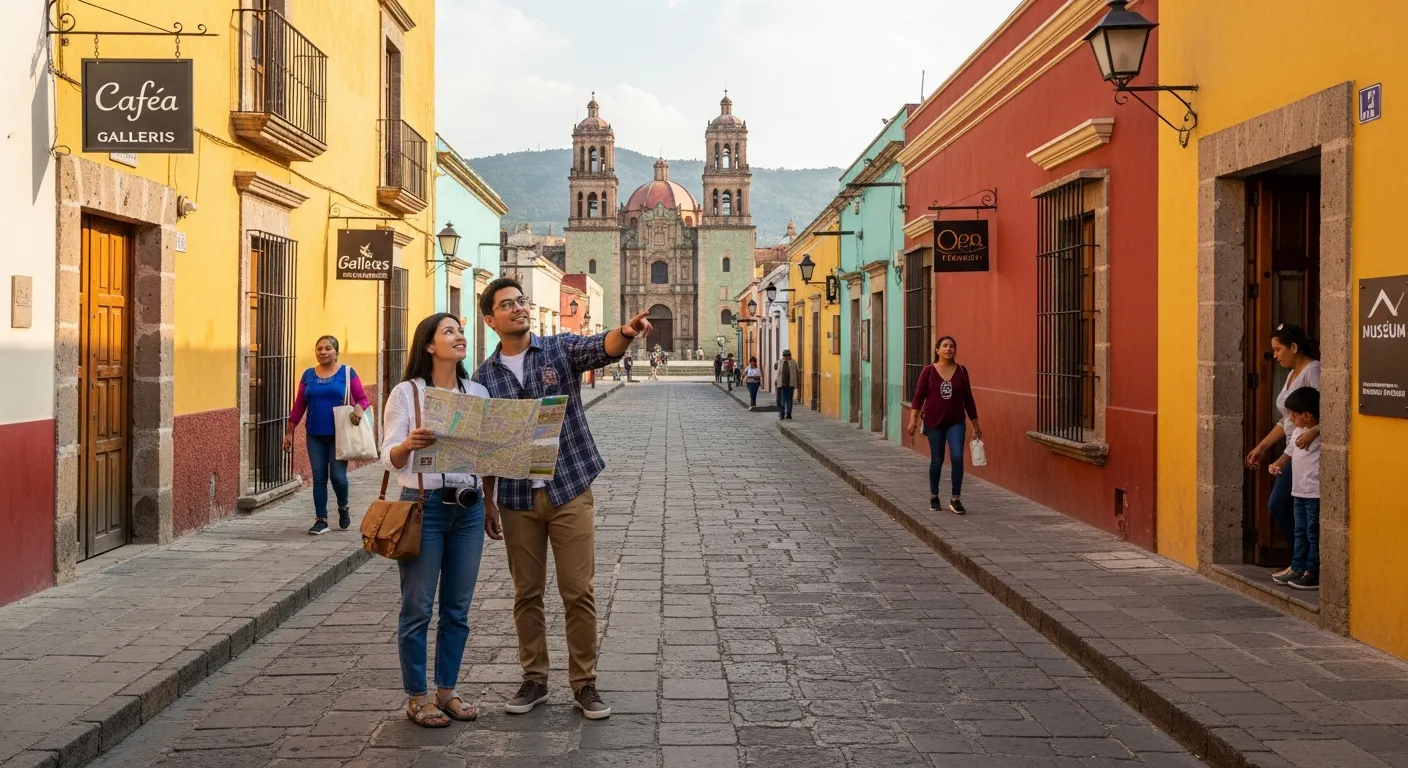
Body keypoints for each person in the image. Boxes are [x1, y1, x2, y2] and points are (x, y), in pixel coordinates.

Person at [475, 277, 652, 721]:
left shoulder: (558, 350)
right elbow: (487, 445)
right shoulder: (484, 377)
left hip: (569, 486)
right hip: (516, 497)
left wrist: (626, 333)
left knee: (578, 591)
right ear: (489, 319)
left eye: (521, 301)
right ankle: (534, 678)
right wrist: (489, 499)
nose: (518, 308)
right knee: (526, 594)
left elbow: (601, 347)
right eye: (507, 304)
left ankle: (584, 683)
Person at [381, 313, 492, 728]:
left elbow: (487, 456)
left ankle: (447, 691)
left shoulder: (477, 392)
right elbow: (389, 456)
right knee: (417, 608)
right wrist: (409, 443)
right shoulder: (406, 394)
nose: (459, 336)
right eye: (449, 331)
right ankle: (417, 696)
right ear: (429, 345)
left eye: (460, 331)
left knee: (458, 609)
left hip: (469, 508)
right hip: (422, 507)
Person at [1244, 323, 1320, 582]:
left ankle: (1309, 564)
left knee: (1282, 505)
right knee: (1289, 508)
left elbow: (1324, 412)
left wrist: (1287, 453)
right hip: (1293, 448)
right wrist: (1262, 447)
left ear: (1294, 348)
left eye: (1278, 349)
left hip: (1305, 451)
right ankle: (1299, 563)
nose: (1274, 355)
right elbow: (1286, 421)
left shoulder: (1313, 372)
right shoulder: (1290, 374)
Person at [283, 336, 369, 535]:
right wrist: (290, 431)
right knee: (319, 477)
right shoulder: (308, 375)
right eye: (319, 349)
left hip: (340, 435)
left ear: (336, 351)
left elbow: (362, 399)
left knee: (338, 477)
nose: (323, 352)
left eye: (328, 348)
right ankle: (321, 519)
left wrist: (358, 408)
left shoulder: (347, 373)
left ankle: (343, 506)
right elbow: (299, 405)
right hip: (314, 434)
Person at [907, 336, 982, 515]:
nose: (949, 349)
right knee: (937, 460)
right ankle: (934, 495)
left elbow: (968, 400)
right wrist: (913, 420)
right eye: (945, 346)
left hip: (956, 422)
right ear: (937, 350)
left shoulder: (962, 371)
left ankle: (955, 498)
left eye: (952, 346)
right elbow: (918, 397)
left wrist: (976, 425)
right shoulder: (929, 371)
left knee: (957, 458)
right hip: (934, 423)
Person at [1268, 387, 1320, 591]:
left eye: (1294, 414)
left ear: (1306, 415)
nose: (1290, 418)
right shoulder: (1298, 431)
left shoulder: (1316, 434)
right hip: (1298, 492)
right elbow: (1288, 453)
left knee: (1313, 533)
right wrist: (1278, 464)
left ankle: (1312, 571)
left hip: (1315, 493)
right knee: (1300, 532)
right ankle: (1298, 567)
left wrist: (1315, 431)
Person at [775, 350, 800, 419]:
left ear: (790, 355)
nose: (786, 357)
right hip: (781, 384)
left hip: (791, 384)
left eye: (788, 355)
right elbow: (775, 367)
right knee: (782, 400)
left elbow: (797, 373)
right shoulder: (779, 362)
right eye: (785, 355)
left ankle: (788, 414)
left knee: (789, 400)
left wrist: (798, 383)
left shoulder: (793, 362)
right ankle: (782, 414)